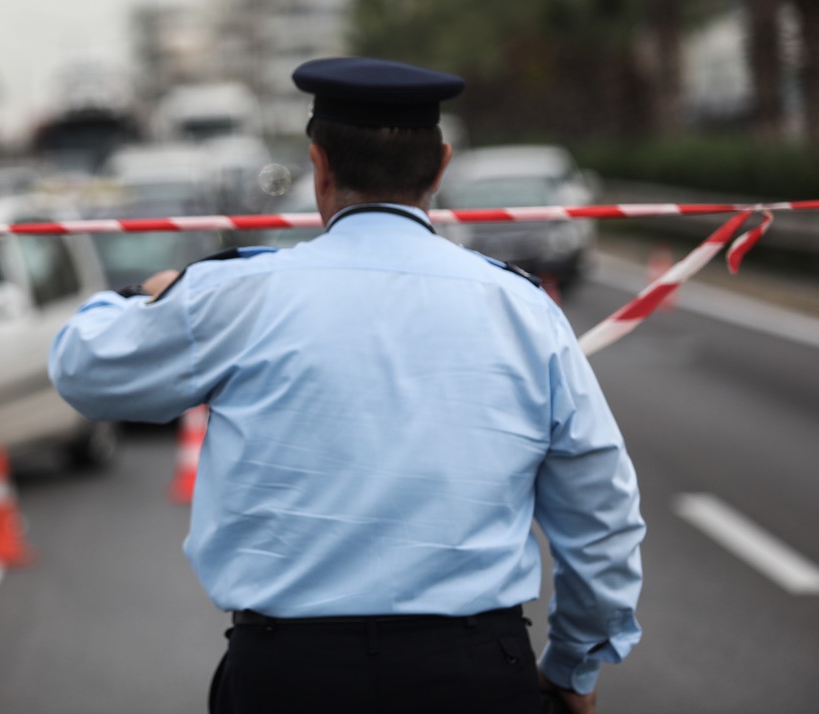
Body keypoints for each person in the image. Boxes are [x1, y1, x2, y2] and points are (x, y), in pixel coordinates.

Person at [48, 56, 645, 714]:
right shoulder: (523, 308)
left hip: (289, 676)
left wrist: (142, 293)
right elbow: (601, 517)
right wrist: (573, 666)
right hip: (475, 671)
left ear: (319, 167)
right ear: (440, 168)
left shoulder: (238, 295)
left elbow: (83, 371)